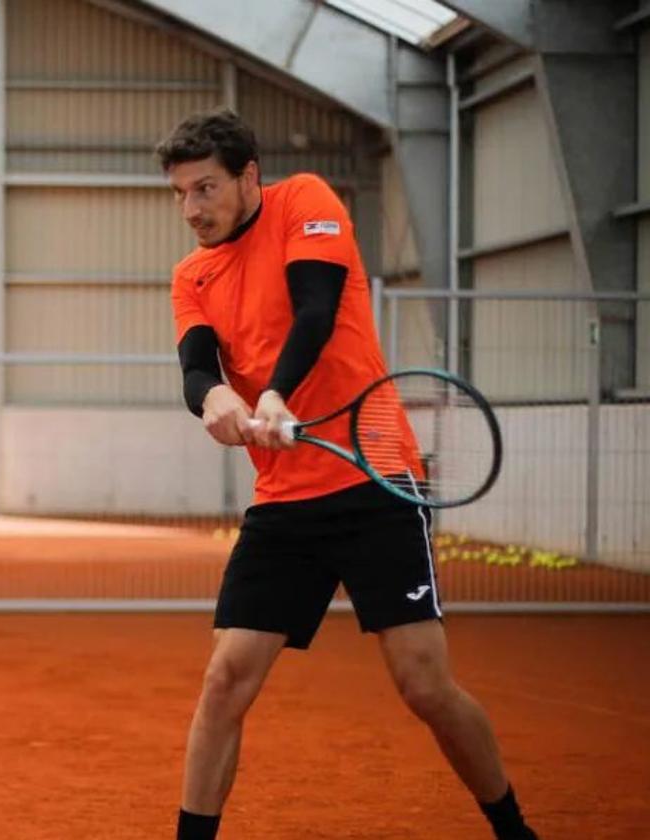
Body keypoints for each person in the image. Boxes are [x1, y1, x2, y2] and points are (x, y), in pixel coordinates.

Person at [158, 109, 538, 840]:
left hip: (377, 484)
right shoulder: (192, 276)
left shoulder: (306, 200)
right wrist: (217, 401)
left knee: (424, 685)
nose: (192, 210)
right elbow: (197, 368)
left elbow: (316, 313)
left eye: (205, 189)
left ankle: (514, 829)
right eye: (180, 194)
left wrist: (273, 393)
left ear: (249, 176)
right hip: (284, 504)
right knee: (224, 680)